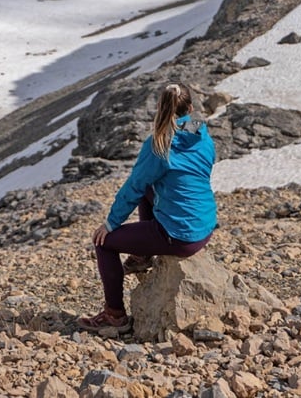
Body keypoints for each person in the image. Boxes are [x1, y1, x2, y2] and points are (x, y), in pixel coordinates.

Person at [79, 82, 218, 333]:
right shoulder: (202, 135)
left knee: (103, 243)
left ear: (159, 108)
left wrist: (110, 224)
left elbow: (134, 186)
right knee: (150, 188)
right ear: (190, 107)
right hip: (205, 224)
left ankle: (115, 315)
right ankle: (142, 257)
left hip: (179, 236)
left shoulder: (159, 145)